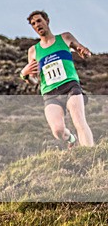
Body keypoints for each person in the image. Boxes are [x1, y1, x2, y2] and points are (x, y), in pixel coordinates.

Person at [21, 10, 94, 148]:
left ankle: (90, 154)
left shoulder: (64, 37)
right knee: (57, 130)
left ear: (47, 21)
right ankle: (72, 139)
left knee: (79, 121)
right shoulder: (33, 51)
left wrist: (85, 52)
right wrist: (24, 74)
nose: (37, 25)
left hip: (70, 86)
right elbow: (34, 81)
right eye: (33, 24)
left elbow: (84, 51)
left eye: (39, 21)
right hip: (50, 93)